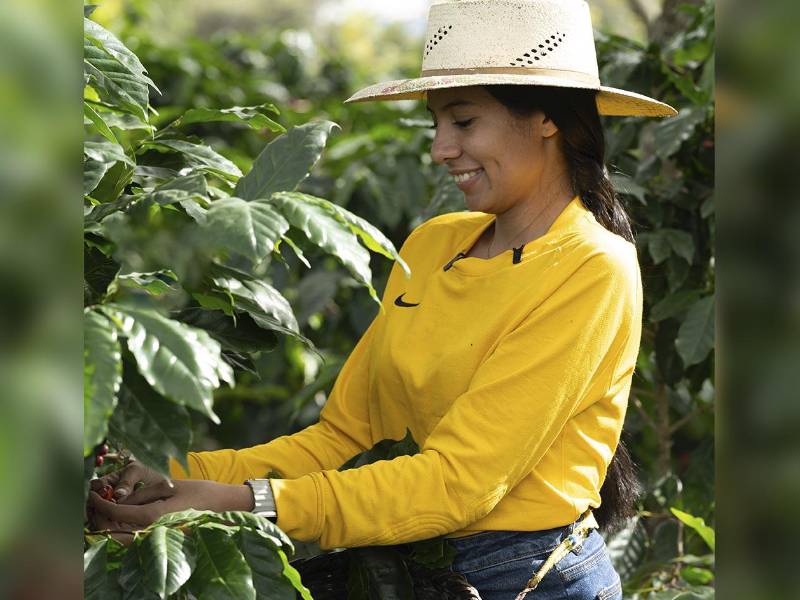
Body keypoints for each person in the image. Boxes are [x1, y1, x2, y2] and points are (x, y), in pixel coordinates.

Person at [90, 1, 676, 598]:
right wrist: (178, 475)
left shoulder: (591, 267)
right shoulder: (433, 244)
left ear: (547, 118)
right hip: (406, 565)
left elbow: (458, 482)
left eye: (464, 122)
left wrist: (245, 501)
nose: (440, 149)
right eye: (437, 125)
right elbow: (342, 440)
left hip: (528, 578)